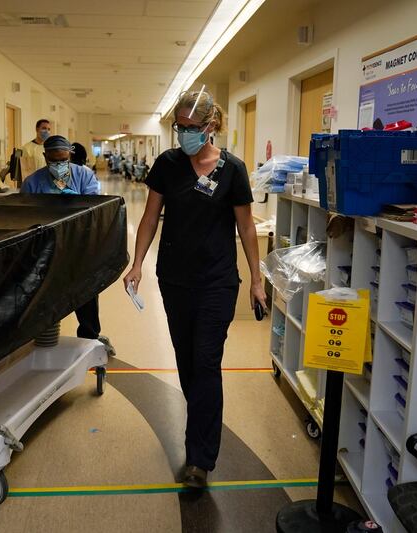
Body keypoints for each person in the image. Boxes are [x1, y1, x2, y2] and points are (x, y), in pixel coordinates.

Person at [122, 90, 266, 489]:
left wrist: (256, 278)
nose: (183, 134)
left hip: (218, 281)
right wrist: (137, 264)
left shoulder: (233, 170)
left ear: (211, 127)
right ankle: (201, 424)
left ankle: (200, 459)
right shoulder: (167, 165)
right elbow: (150, 218)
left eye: (190, 128)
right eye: (178, 127)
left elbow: (247, 227)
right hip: (175, 280)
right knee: (187, 363)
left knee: (205, 361)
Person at [22, 135, 115, 355]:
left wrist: (80, 201)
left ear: (70, 156)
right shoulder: (32, 183)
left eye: (63, 160)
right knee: (44, 296)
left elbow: (95, 209)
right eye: (53, 161)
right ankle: (44, 337)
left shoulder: (84, 175)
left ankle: (90, 337)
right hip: (46, 249)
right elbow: (23, 217)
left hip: (79, 245)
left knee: (86, 293)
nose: (58, 165)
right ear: (45, 157)